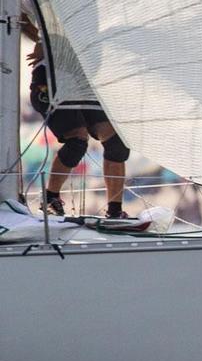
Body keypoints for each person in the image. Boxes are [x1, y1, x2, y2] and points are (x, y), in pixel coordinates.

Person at [19, 11, 130, 219]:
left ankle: (115, 211)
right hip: (52, 80)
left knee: (117, 141)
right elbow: (17, 12)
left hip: (83, 80)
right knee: (77, 140)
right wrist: (46, 43)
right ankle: (50, 197)